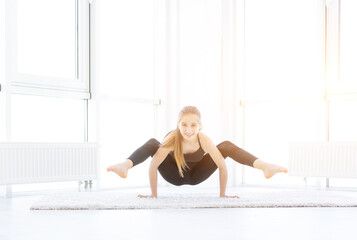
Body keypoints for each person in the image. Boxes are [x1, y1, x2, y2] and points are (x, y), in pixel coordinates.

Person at [107, 106, 288, 198]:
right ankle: (125, 165)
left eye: (193, 125)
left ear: (200, 126)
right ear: (178, 125)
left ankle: (264, 166)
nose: (188, 129)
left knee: (224, 146)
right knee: (154, 143)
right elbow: (154, 165)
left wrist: (222, 195)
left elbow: (222, 166)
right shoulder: (172, 139)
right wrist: (153, 195)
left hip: (196, 176)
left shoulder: (204, 140)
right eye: (184, 125)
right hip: (174, 176)